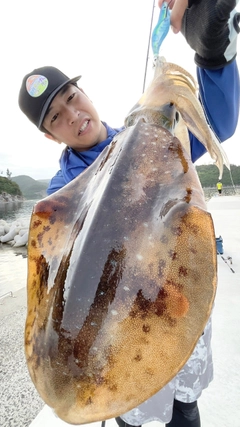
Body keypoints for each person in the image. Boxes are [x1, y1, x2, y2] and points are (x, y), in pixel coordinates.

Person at [18, 0, 240, 425]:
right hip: (120, 335)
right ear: (50, 136)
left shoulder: (154, 146)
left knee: (185, 409)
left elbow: (218, 123)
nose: (74, 115)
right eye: (57, 117)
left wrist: (213, 55)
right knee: (132, 415)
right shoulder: (61, 195)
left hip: (177, 302)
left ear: (84, 92)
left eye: (71, 97)